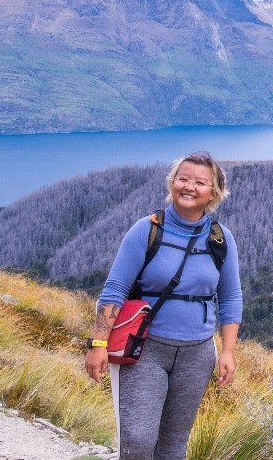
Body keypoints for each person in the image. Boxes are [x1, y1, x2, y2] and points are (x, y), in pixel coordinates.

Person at [84, 151, 242, 459]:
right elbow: (115, 289)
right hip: (145, 349)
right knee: (138, 441)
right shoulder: (147, 230)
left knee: (173, 445)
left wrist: (227, 351)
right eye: (183, 179)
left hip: (197, 354)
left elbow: (231, 297)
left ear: (214, 192)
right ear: (172, 183)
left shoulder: (221, 240)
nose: (189, 187)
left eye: (200, 182)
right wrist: (97, 343)